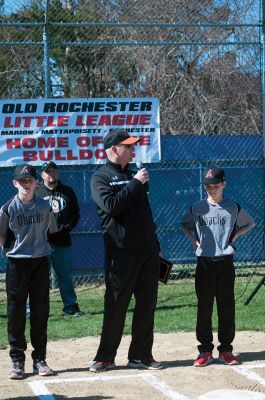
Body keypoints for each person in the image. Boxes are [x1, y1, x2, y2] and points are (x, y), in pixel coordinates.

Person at [89, 128, 162, 372]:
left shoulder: (133, 173)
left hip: (147, 250)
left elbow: (145, 213)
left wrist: (156, 246)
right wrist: (134, 183)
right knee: (116, 305)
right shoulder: (100, 177)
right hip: (121, 253)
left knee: (147, 304)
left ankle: (140, 355)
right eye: (127, 146)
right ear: (112, 149)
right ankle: (105, 357)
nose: (133, 150)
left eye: (133, 146)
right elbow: (111, 206)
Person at [180, 167, 255, 367]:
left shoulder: (232, 207)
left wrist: (234, 237)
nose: (211, 189)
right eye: (208, 186)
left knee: (226, 306)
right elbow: (184, 225)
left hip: (224, 263)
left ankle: (226, 350)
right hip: (204, 262)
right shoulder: (197, 208)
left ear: (224, 184)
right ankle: (205, 350)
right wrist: (193, 241)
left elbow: (250, 223)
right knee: (204, 307)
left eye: (215, 186)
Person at [0, 164, 57, 379]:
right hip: (17, 263)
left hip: (40, 261)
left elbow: (51, 230)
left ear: (36, 183)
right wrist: (12, 249)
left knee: (40, 310)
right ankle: (17, 360)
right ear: (15, 183)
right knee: (16, 312)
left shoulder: (44, 207)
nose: (26, 184)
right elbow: (1, 235)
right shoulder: (8, 208)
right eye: (22, 181)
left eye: (30, 180)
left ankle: (39, 359)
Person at [35, 161, 83, 317]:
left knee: (65, 277)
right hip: (40, 244)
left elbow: (75, 214)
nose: (52, 174)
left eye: (54, 171)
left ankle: (70, 306)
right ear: (42, 175)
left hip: (62, 242)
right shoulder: (35, 192)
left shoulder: (67, 191)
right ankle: (37, 308)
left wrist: (67, 228)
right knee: (38, 279)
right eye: (48, 172)